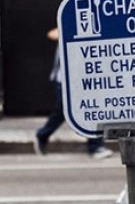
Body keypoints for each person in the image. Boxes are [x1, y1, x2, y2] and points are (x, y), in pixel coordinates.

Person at [34, 27, 113, 159]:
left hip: (83, 80)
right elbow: (52, 34)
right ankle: (42, 134)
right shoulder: (70, 25)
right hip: (64, 81)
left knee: (92, 109)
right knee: (62, 112)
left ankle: (95, 146)